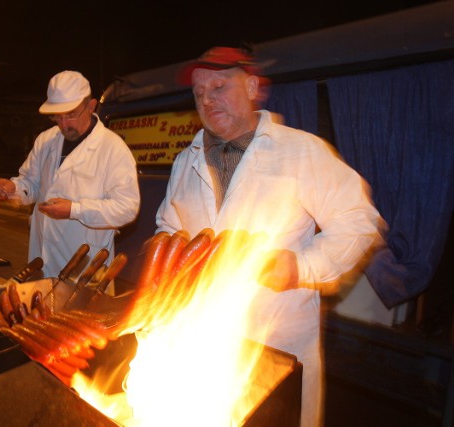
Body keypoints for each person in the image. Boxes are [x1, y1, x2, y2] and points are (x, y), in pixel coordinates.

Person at [156, 47, 383, 427]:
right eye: (199, 93)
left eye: (219, 86)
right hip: (202, 337)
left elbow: (359, 221)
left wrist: (302, 265)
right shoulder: (186, 159)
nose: (207, 99)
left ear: (252, 86)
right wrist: (168, 254)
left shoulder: (300, 151)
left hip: (276, 339)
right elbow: (168, 225)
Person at [0, 70, 140, 279]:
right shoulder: (46, 140)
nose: (63, 124)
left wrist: (74, 210)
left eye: (70, 114)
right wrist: (13, 188)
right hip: (42, 257)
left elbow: (127, 208)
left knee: (83, 309)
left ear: (91, 106)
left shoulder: (112, 148)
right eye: (57, 117)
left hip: (85, 266)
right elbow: (31, 183)